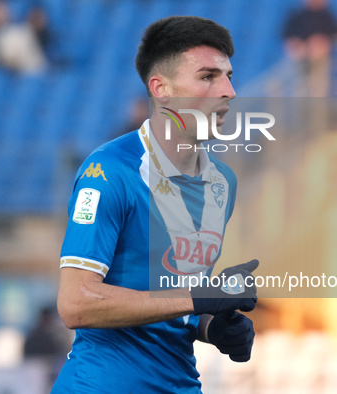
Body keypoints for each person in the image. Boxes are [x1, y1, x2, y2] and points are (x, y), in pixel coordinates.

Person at [53, 16, 259, 393]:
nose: (228, 90)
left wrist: (214, 327)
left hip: (180, 383)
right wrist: (200, 298)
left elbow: (171, 301)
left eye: (229, 76)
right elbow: (76, 303)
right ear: (161, 88)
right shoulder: (109, 172)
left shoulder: (222, 183)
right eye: (208, 76)